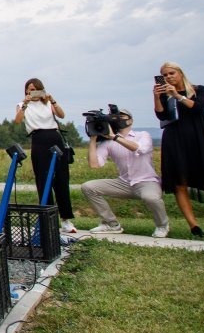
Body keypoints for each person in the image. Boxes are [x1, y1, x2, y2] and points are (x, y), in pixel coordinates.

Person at [154, 61, 204, 238]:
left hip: (198, 140)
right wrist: (157, 97)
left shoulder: (199, 89)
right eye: (164, 75)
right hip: (174, 140)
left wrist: (178, 96)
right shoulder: (165, 95)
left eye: (171, 73)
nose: (168, 77)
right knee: (179, 183)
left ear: (180, 73)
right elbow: (161, 115)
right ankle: (194, 226)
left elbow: (198, 108)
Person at [82, 108, 170, 237]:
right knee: (88, 187)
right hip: (124, 183)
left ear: (131, 120)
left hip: (146, 181)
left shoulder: (143, 135)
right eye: (116, 116)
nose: (119, 118)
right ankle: (111, 224)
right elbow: (94, 165)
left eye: (122, 116)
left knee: (150, 197)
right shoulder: (108, 142)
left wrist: (115, 137)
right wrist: (93, 138)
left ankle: (162, 226)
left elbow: (138, 148)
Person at [13, 78, 76, 233]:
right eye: (29, 89)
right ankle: (48, 219)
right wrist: (25, 102)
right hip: (38, 139)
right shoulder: (22, 105)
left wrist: (52, 100)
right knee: (43, 179)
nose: (32, 91)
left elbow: (61, 115)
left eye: (35, 89)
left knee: (61, 179)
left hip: (54, 137)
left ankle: (66, 219)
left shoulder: (47, 103)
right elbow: (17, 120)